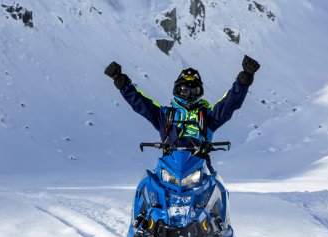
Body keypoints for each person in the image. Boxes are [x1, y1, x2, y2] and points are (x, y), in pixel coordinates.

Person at [104, 55, 260, 169]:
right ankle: (143, 214)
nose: (188, 94)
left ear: (200, 92)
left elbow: (229, 103)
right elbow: (141, 104)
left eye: (193, 90)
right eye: (184, 90)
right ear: (176, 90)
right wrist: (122, 82)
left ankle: (217, 214)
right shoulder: (165, 115)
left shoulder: (208, 116)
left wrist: (244, 80)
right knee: (149, 182)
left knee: (217, 186)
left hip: (199, 165)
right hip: (169, 165)